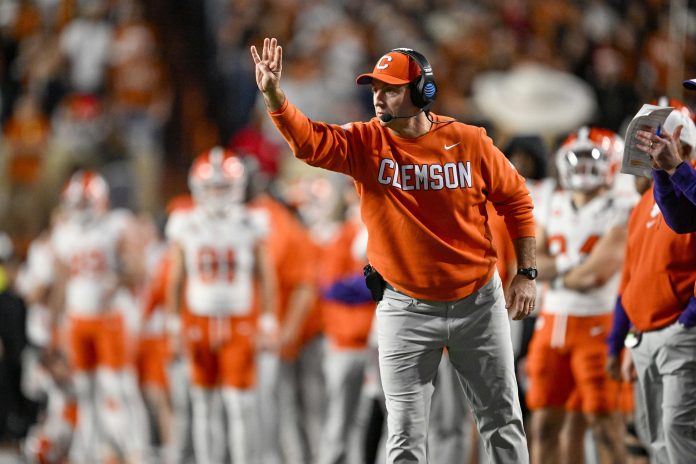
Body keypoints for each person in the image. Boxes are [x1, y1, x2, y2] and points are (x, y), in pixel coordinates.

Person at [250, 37, 536, 464]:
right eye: (375, 89)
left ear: (423, 92)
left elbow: (516, 200)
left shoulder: (470, 141)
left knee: (501, 420)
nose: (379, 98)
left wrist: (526, 273)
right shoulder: (366, 142)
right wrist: (275, 95)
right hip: (405, 307)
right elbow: (308, 142)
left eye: (391, 89)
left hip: (477, 302)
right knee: (403, 433)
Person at [526, 127, 636, 464]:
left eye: (593, 158)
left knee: (605, 427)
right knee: (543, 426)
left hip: (598, 326)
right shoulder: (550, 201)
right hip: (551, 324)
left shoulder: (622, 205)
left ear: (613, 162)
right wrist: (571, 265)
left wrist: (557, 271)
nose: (584, 167)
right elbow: (529, 264)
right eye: (579, 157)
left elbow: (596, 274)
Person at [165, 147, 276, 464]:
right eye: (211, 187)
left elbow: (265, 275)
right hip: (199, 320)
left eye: (223, 186)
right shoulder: (184, 222)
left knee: (239, 404)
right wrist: (173, 326)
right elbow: (175, 279)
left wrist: (268, 321)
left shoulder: (251, 221)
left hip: (238, 320)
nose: (216, 193)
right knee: (202, 403)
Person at [606, 103, 696, 463]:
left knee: (677, 428)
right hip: (646, 335)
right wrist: (623, 340)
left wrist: (687, 319)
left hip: (680, 330)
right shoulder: (646, 202)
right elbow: (632, 278)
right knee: (651, 430)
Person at [635, 91, 696, 233]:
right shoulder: (642, 202)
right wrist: (662, 171)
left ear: (687, 148)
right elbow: (681, 222)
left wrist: (677, 167)